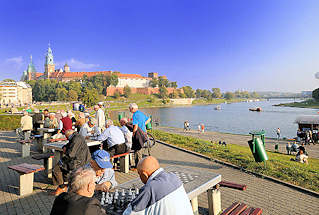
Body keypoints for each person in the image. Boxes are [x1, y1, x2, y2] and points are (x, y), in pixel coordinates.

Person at [123, 156, 193, 215]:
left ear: (144, 174)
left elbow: (131, 212)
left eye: (139, 174)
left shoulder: (150, 188)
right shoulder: (174, 177)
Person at [52, 129, 91, 196]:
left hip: (78, 161)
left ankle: (62, 187)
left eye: (67, 137)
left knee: (56, 168)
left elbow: (71, 154)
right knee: (62, 166)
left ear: (69, 135)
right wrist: (65, 147)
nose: (67, 139)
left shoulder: (76, 139)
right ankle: (66, 185)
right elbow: (70, 144)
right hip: (81, 159)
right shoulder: (77, 136)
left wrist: (65, 151)